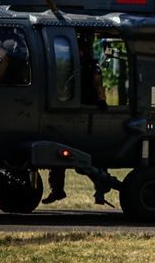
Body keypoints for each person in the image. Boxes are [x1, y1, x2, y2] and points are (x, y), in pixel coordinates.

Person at [43, 34, 111, 206]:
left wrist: (101, 102)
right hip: (70, 111)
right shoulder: (69, 67)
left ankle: (101, 190)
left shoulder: (90, 68)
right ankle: (57, 190)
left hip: (87, 113)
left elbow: (98, 86)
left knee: (89, 159)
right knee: (58, 155)